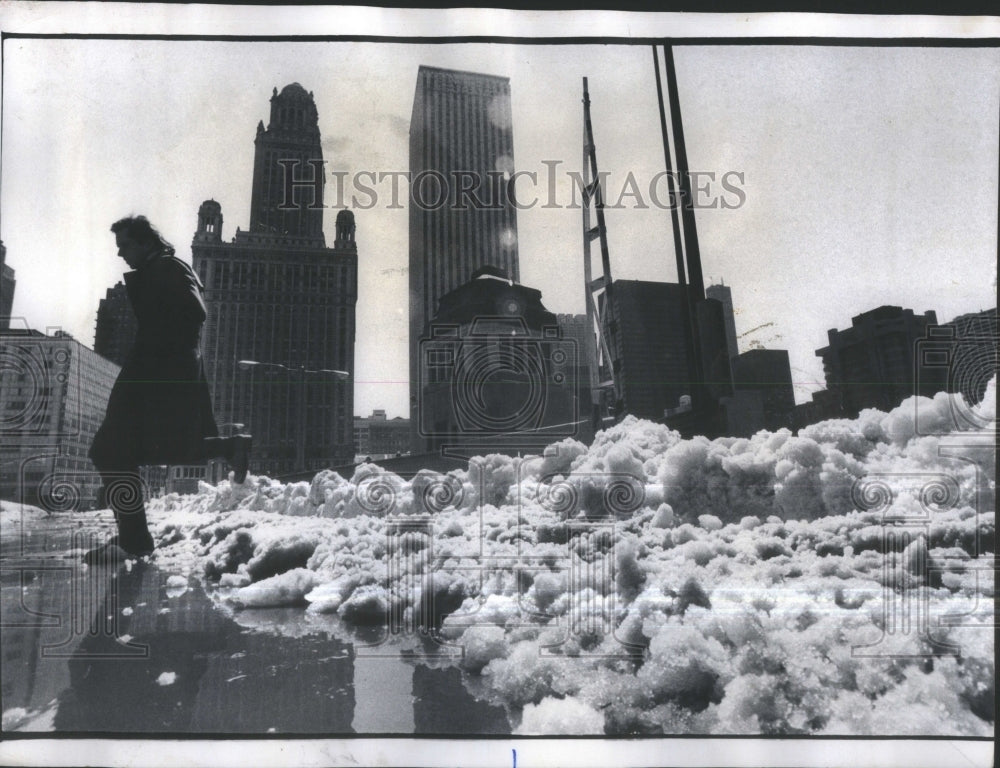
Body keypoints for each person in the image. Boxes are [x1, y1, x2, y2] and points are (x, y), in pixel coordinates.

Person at [88, 216, 251, 558]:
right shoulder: (160, 268)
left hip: (158, 371)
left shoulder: (167, 267)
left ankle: (134, 540)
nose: (121, 254)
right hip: (156, 368)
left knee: (110, 450)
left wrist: (159, 358)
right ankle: (229, 446)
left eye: (125, 246)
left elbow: (194, 312)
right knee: (137, 448)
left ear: (145, 242)